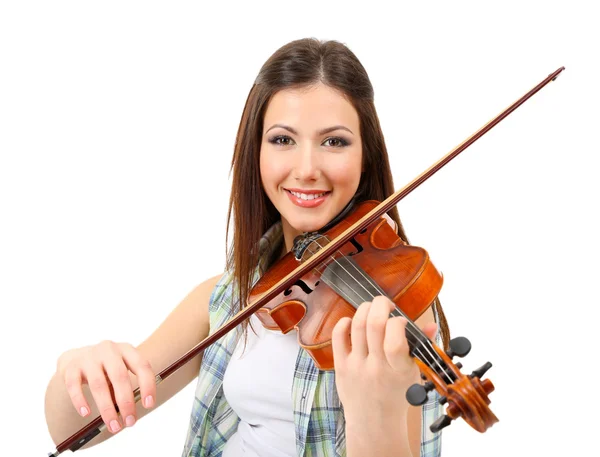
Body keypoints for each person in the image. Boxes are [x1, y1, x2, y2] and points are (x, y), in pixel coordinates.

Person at [44, 37, 450, 457]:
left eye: (334, 142)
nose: (307, 169)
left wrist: (374, 414)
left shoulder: (400, 304)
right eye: (282, 140)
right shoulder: (229, 298)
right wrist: (75, 370)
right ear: (255, 152)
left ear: (366, 155)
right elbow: (73, 431)